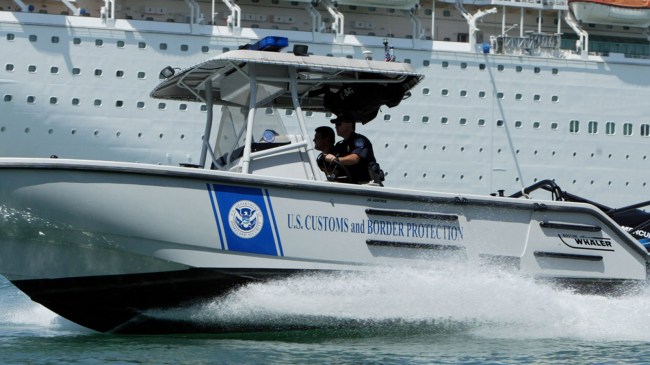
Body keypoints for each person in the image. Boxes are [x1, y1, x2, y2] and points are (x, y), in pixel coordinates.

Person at [322, 114, 377, 184]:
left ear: (349, 124)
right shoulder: (340, 145)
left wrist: (336, 159)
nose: (336, 126)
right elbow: (335, 167)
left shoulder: (359, 140)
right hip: (347, 183)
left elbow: (355, 158)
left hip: (363, 184)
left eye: (339, 124)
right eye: (335, 124)